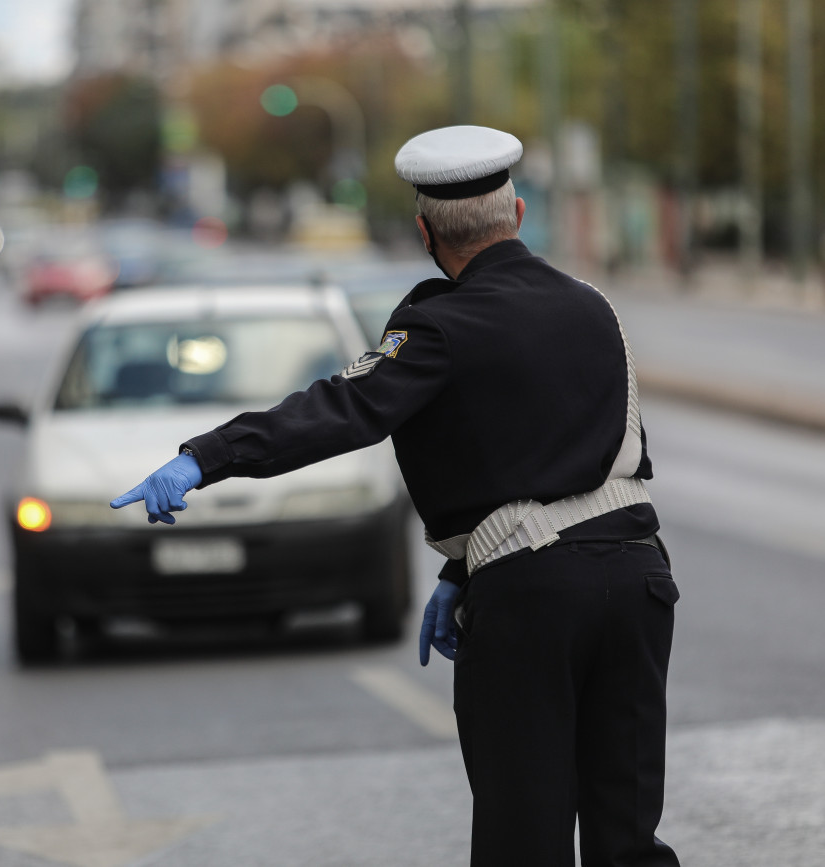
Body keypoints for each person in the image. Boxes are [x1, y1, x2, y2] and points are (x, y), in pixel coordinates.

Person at [111, 125, 680, 867]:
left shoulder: (438, 325)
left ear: (424, 231)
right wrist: (460, 568)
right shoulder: (592, 305)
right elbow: (587, 455)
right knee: (628, 835)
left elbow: (338, 410)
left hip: (532, 598)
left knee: (525, 837)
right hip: (637, 580)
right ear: (517, 215)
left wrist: (204, 458)